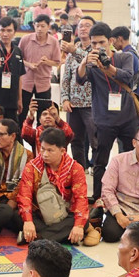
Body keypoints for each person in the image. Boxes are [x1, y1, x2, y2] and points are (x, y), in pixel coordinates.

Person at [77, 22, 139, 197]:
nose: (97, 47)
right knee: (100, 162)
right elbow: (80, 80)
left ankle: (127, 196)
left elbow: (127, 77)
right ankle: (98, 197)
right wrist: (84, 62)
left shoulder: (125, 57)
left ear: (110, 41)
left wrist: (107, 66)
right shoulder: (91, 64)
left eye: (101, 42)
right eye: (94, 43)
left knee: (130, 160)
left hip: (128, 118)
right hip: (103, 119)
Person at [16, 127, 93, 245]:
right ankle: (56, 235)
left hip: (63, 216)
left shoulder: (75, 169)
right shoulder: (32, 167)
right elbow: (24, 196)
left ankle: (37, 238)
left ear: (62, 151)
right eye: (42, 149)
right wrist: (28, 221)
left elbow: (80, 198)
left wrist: (78, 226)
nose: (44, 154)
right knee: (16, 216)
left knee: (80, 222)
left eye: (50, 150)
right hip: (39, 214)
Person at [59, 16, 97, 170]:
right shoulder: (71, 51)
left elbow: (92, 63)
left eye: (87, 25)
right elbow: (66, 78)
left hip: (92, 103)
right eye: (80, 26)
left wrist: (74, 51)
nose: (83, 28)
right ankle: (79, 170)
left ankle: (97, 169)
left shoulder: (97, 49)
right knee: (75, 140)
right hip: (73, 104)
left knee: (95, 139)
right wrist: (65, 98)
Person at [18, 15, 60, 124]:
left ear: (48, 26)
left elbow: (57, 62)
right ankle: (19, 134)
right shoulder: (25, 39)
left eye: (43, 26)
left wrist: (47, 62)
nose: (40, 29)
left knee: (43, 115)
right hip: (26, 82)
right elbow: (18, 59)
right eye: (37, 26)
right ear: (34, 25)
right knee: (21, 113)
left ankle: (40, 134)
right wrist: (29, 65)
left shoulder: (54, 42)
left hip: (43, 83)